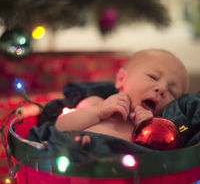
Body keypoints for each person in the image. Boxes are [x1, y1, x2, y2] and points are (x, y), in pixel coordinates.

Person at [55, 49, 188, 143]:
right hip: (78, 159)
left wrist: (148, 128)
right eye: (153, 77)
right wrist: (98, 111)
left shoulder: (160, 128)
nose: (162, 89)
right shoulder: (95, 103)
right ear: (121, 78)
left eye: (172, 91)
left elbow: (159, 157)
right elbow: (59, 128)